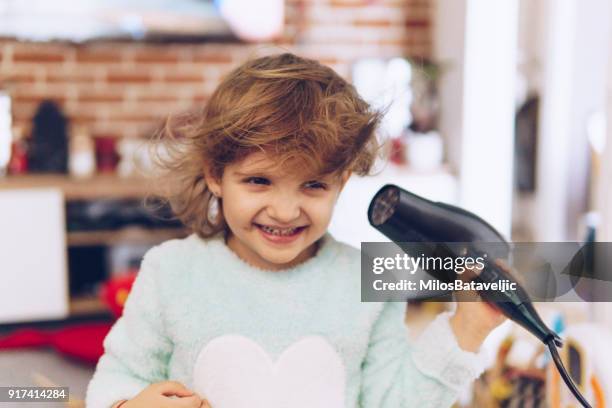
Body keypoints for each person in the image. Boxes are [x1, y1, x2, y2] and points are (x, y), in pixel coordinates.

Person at [86, 53, 505, 408]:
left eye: (313, 185)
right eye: (259, 182)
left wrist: (468, 328)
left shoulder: (363, 282)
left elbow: (395, 400)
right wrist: (128, 403)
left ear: (340, 182)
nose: (285, 211)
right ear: (215, 174)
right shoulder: (170, 272)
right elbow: (116, 379)